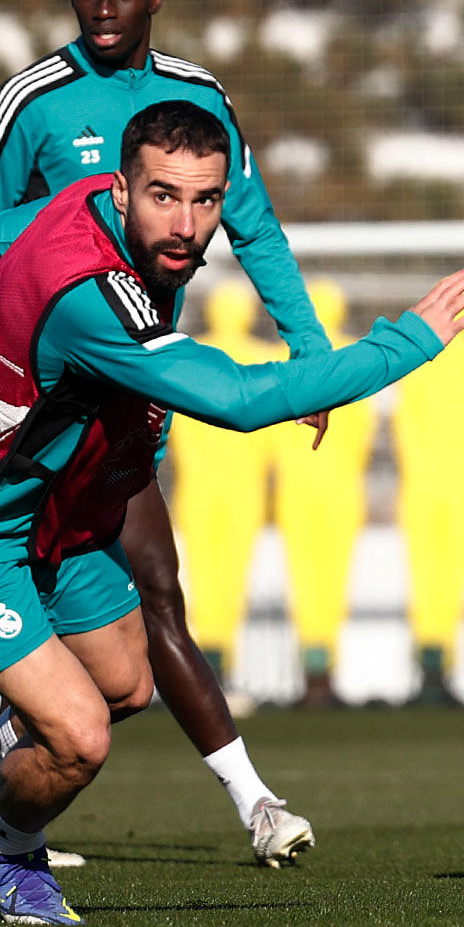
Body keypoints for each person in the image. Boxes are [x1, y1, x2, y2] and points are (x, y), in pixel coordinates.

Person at [0, 101, 464, 926]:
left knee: (125, 683)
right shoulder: (92, 299)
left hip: (42, 501)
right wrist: (407, 344)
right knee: (79, 738)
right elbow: (236, 399)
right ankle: (4, 847)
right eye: (163, 196)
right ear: (121, 190)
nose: (186, 224)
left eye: (206, 200)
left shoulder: (83, 204)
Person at [0, 0, 333, 867]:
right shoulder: (30, 100)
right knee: (95, 645)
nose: (103, 9)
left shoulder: (199, 100)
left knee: (148, 620)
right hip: (31, 417)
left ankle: (0, 765)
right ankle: (40, 805)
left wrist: (310, 347)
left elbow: (256, 227)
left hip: (135, 402)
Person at [394, 304, 464, 707]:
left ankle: (430, 671)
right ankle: (436, 672)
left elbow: (405, 422)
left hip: (425, 484)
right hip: (460, 484)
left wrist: (417, 469)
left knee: (427, 578)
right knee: (447, 580)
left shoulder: (419, 357)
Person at [271, 281, 377, 709]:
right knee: (330, 583)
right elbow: (367, 432)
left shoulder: (283, 361)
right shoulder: (359, 359)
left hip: (297, 491)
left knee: (305, 581)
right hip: (339, 491)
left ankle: (313, 674)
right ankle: (322, 674)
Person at [171, 283, 278, 698]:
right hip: (242, 489)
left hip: (198, 486)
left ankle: (202, 664)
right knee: (230, 578)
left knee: (196, 576)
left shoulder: (191, 356)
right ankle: (219, 664)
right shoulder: (262, 357)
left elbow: (174, 421)